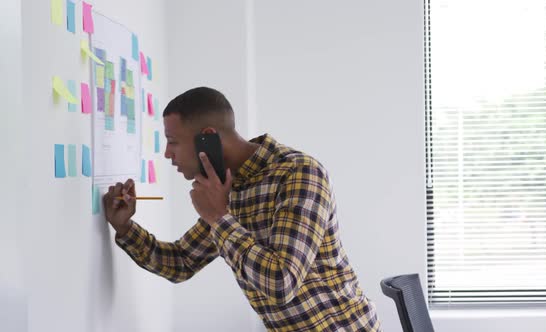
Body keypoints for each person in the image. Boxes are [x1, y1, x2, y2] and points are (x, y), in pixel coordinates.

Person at [103, 87, 382, 331]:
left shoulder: (298, 173)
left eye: (173, 141)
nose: (167, 153)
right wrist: (125, 227)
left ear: (207, 138)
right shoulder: (229, 190)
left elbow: (281, 282)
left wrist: (218, 217)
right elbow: (182, 262)